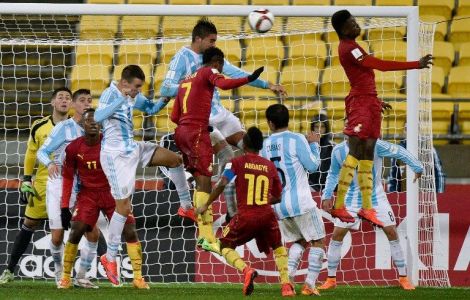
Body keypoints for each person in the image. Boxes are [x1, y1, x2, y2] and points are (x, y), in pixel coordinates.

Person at [160, 17, 287, 220]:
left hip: (221, 114)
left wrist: (267, 85)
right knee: (229, 159)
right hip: (203, 120)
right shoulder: (182, 57)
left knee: (253, 149)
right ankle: (232, 212)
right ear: (199, 39)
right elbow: (165, 88)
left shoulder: (212, 59)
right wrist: (190, 86)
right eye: (211, 41)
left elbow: (235, 73)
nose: (213, 44)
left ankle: (260, 199)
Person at [329, 9, 432, 226]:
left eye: (356, 21)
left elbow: (364, 77)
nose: (357, 25)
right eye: (352, 22)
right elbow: (380, 66)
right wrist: (416, 64)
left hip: (369, 103)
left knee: (367, 154)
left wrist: (375, 101)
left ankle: (367, 208)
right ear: (342, 29)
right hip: (361, 104)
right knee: (356, 152)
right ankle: (339, 205)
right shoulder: (348, 48)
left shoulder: (353, 46)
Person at [94, 65, 187, 286]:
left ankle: (186, 205)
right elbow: (98, 116)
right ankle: (110, 257)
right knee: (123, 208)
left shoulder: (132, 95)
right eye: (136, 87)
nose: (137, 91)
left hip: (132, 148)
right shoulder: (111, 93)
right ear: (125, 83)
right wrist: (122, 99)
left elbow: (152, 109)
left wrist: (166, 98)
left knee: (174, 159)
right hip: (115, 156)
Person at [171, 47, 264, 254]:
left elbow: (174, 116)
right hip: (196, 132)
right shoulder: (208, 71)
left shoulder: (185, 80)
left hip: (183, 133)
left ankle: (225, 214)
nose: (220, 69)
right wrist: (248, 78)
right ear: (217, 63)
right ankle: (205, 236)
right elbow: (223, 83)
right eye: (221, 65)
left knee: (219, 166)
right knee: (205, 181)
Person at [196, 127, 295, 297]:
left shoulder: (236, 162)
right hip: (267, 215)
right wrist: (262, 200)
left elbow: (222, 183)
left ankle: (246, 270)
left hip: (246, 216)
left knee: (224, 246)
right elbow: (278, 197)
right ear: (260, 146)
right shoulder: (270, 166)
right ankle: (286, 285)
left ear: (245, 143)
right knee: (278, 247)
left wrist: (206, 204)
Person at [57, 109, 148, 289]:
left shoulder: (111, 144)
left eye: (97, 120)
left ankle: (138, 278)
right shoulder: (73, 148)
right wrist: (64, 206)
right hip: (88, 194)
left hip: (112, 192)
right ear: (82, 124)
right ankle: (65, 277)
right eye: (89, 121)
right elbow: (68, 178)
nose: (93, 123)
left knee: (130, 231)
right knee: (76, 230)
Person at [320, 138, 423, 290]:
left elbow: (399, 151)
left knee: (391, 232)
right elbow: (333, 173)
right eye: (347, 125)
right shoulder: (338, 150)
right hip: (350, 199)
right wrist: (327, 195)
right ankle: (331, 279)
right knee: (337, 235)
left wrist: (417, 167)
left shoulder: (375, 145)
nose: (349, 130)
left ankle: (403, 277)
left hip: (376, 197)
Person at [0, 88, 72, 284]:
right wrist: (25, 179)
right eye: (61, 97)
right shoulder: (39, 126)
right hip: (42, 183)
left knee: (83, 226)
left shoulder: (76, 127)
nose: (64, 100)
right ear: (53, 102)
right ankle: (9, 270)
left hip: (70, 184)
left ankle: (78, 273)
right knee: (30, 223)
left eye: (68, 98)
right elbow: (31, 153)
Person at [36, 89, 102, 286]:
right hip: (59, 183)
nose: (86, 103)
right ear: (74, 105)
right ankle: (59, 273)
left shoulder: (96, 129)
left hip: (83, 186)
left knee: (93, 232)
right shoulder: (64, 128)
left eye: (89, 100)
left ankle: (81, 275)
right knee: (57, 236)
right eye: (82, 100)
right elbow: (42, 151)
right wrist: (50, 163)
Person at [261, 104, 325, 296]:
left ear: (270, 123)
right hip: (302, 202)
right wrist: (314, 144)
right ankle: (310, 284)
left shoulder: (264, 145)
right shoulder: (297, 139)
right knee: (318, 241)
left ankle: (287, 281)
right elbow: (313, 166)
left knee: (300, 241)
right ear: (288, 119)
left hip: (279, 205)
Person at [309, 113, 336, 192]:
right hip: (309, 189)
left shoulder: (333, 148)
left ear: (327, 128)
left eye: (322, 126)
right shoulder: (306, 147)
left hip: (328, 190)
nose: (319, 130)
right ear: (312, 128)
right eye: (316, 126)